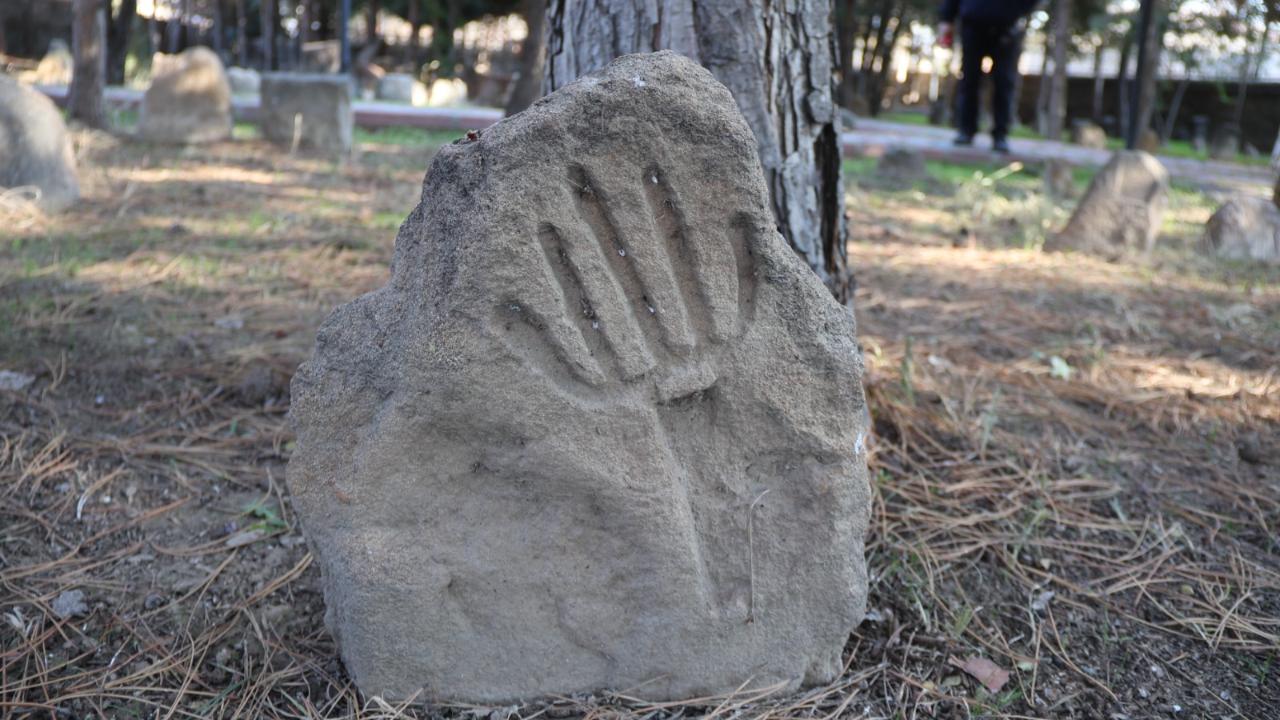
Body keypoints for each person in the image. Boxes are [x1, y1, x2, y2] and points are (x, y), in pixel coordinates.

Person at [938, 0, 1040, 153]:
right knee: (969, 80)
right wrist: (946, 19)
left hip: (1007, 28)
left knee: (1004, 83)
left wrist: (1015, 12)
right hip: (973, 24)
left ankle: (1000, 135)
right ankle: (966, 130)